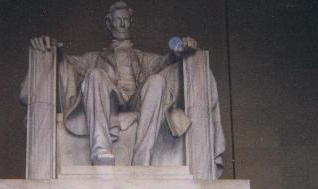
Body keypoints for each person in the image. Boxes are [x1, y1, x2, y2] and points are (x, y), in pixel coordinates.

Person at [25, 1, 197, 166]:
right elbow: (67, 61)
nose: (122, 24)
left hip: (136, 101)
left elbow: (165, 61)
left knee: (157, 80)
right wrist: (53, 48)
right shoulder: (93, 58)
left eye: (126, 19)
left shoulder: (144, 58)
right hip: (110, 101)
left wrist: (180, 50)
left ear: (131, 22)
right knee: (95, 75)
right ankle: (101, 150)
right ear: (109, 22)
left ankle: (142, 156)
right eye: (117, 19)